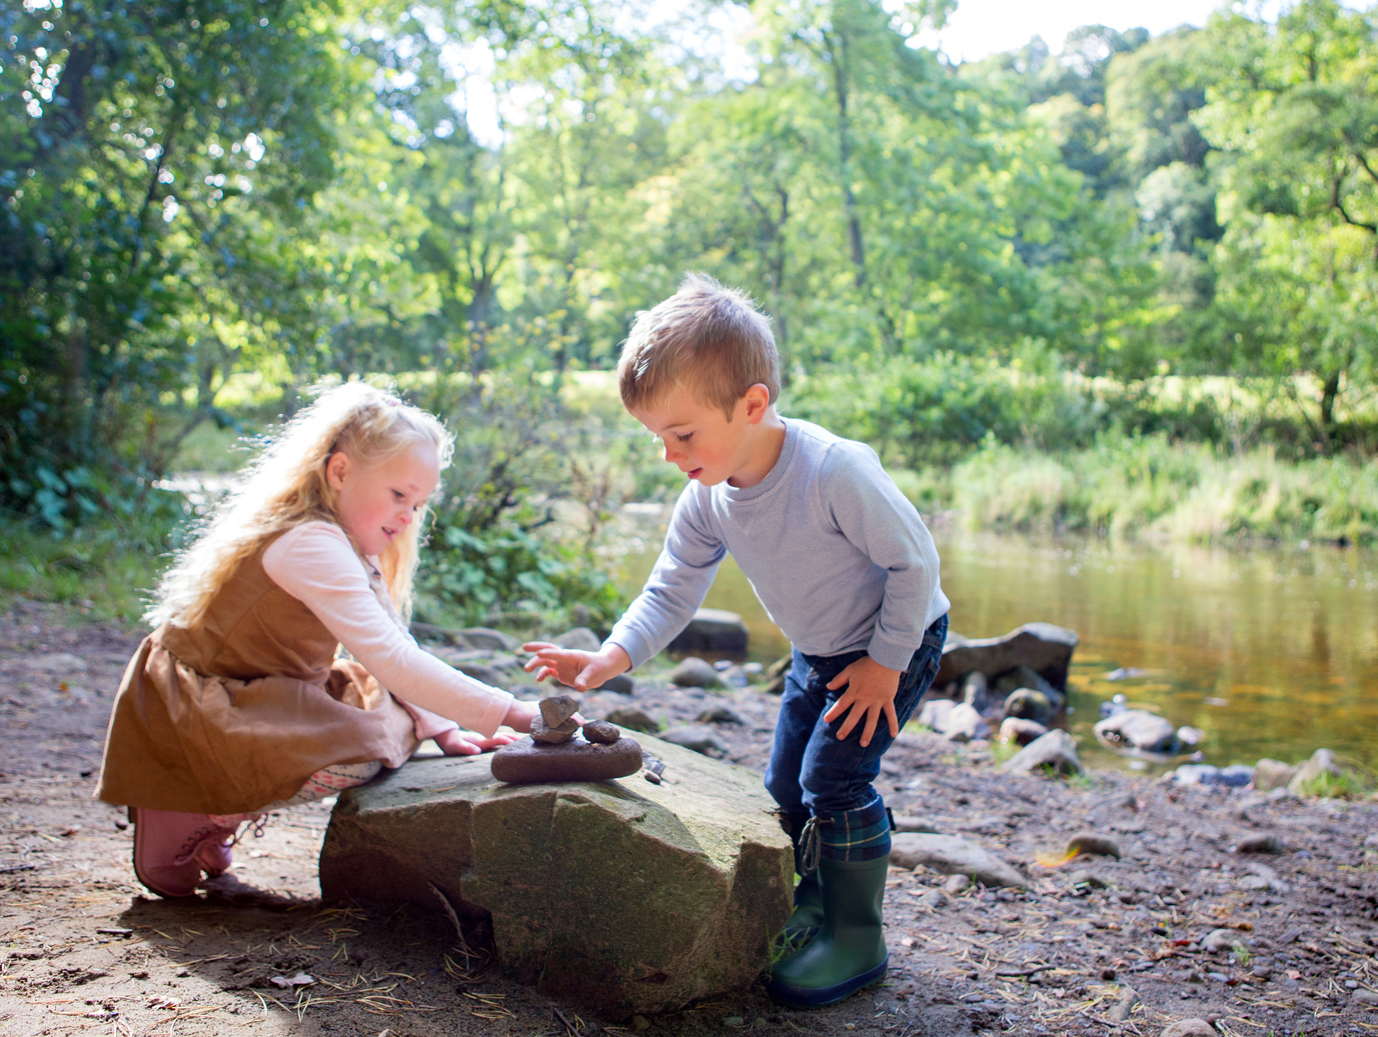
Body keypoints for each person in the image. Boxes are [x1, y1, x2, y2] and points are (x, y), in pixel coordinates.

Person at [523, 274, 950, 1007]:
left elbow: (916, 563)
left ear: (753, 404)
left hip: (894, 642)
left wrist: (885, 665)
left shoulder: (832, 471)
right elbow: (671, 588)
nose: (668, 454)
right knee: (784, 788)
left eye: (682, 433)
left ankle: (858, 936)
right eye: (659, 437)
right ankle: (811, 901)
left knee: (835, 779)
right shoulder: (707, 495)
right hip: (817, 652)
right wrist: (609, 657)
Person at [96, 382, 539, 898]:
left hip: (270, 691)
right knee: (367, 748)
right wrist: (513, 711)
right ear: (340, 471)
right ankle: (193, 802)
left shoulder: (349, 541)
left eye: (418, 505)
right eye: (399, 495)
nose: (407, 516)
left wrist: (441, 727)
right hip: (202, 708)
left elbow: (393, 645)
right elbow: (393, 659)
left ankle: (217, 795)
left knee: (394, 724)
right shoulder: (309, 541)